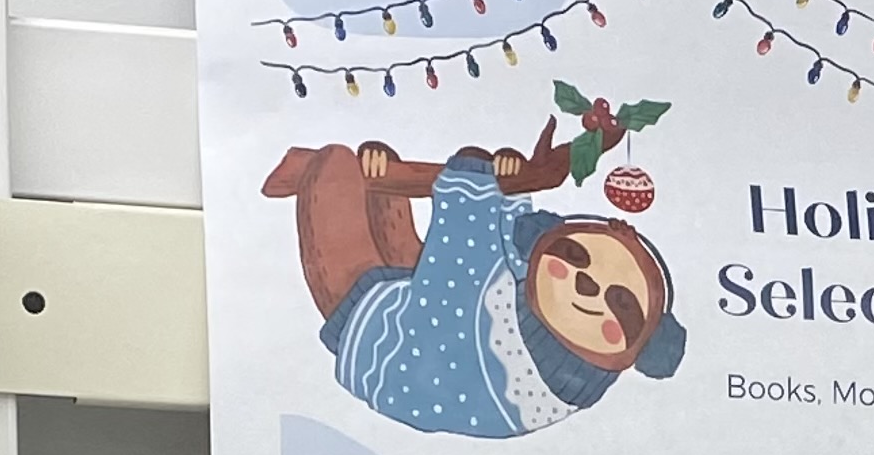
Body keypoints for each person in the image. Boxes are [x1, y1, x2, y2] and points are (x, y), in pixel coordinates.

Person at [262, 114, 684, 438]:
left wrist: (473, 177)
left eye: (619, 301)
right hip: (429, 323)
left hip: (385, 347)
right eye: (574, 256)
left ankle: (360, 181)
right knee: (389, 194)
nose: (585, 284)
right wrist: (510, 189)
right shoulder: (551, 343)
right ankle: (384, 181)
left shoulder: (509, 338)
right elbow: (504, 259)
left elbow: (465, 252)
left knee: (336, 167)